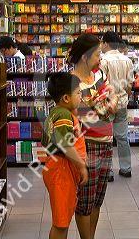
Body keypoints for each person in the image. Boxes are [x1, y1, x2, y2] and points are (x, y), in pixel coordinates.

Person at [68, 34, 119, 239]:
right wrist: (102, 104)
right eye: (97, 54)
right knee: (85, 202)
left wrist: (100, 104)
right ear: (84, 56)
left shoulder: (99, 74)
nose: (100, 58)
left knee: (98, 198)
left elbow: (112, 103)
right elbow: (80, 115)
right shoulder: (71, 83)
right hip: (87, 146)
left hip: (106, 142)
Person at [42, 72, 89, 239]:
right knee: (61, 223)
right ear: (66, 98)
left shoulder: (58, 112)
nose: (81, 96)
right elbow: (65, 144)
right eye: (78, 93)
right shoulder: (63, 115)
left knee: (64, 219)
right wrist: (81, 166)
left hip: (59, 169)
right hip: (61, 171)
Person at [100, 31, 134, 180]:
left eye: (102, 42)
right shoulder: (127, 60)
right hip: (122, 102)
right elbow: (129, 84)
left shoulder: (103, 60)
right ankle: (126, 168)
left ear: (106, 43)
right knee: (122, 137)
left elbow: (101, 84)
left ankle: (108, 171)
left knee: (106, 137)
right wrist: (125, 96)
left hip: (107, 103)